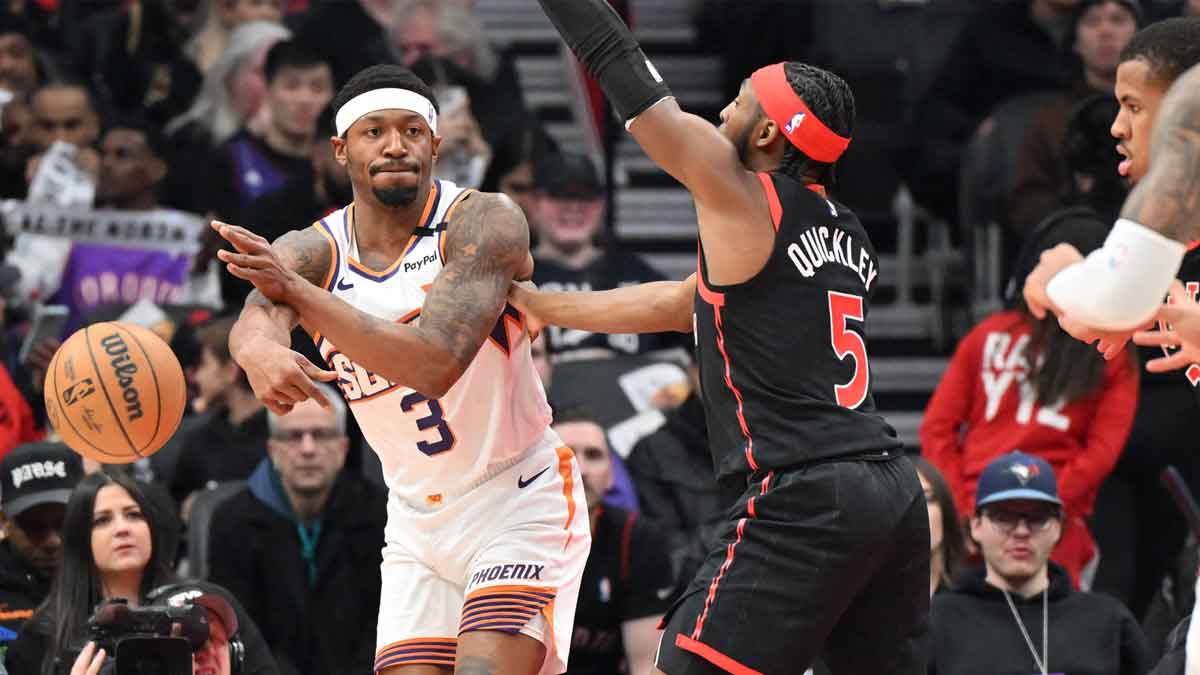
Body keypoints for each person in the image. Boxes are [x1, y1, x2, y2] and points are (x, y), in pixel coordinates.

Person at [510, 3, 929, 672]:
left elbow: (632, 81)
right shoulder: (844, 227)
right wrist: (539, 305)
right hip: (892, 490)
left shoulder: (745, 194)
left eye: (734, 105)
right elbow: (684, 304)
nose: (720, 118)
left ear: (766, 134)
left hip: (806, 488)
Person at [211, 63, 589, 674]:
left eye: (413, 130)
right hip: (414, 518)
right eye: (374, 131)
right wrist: (260, 352)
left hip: (516, 496)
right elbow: (256, 318)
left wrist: (301, 299)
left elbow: (435, 363)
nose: (395, 145)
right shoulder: (312, 250)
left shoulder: (481, 223)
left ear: (436, 144)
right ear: (340, 149)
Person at [920, 215, 1138, 587]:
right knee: (1054, 637)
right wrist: (1042, 509)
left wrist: (970, 510)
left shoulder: (986, 335)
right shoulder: (1112, 350)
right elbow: (1100, 453)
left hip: (978, 521)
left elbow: (936, 430)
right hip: (1051, 528)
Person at [1022, 18, 1200, 355]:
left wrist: (1064, 275)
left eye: (1133, 107)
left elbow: (1110, 299)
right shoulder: (1177, 235)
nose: (1117, 127)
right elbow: (1114, 302)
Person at [5, 469, 278, 675]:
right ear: (79, 540)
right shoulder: (42, 636)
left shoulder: (209, 608)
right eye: (102, 520)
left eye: (134, 515)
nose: (123, 528)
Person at [207, 384, 387, 675]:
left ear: (343, 448)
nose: (308, 449)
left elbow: (381, 623)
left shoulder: (380, 514)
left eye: (321, 434)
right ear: (272, 449)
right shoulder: (232, 521)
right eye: (293, 436)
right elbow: (240, 631)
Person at [928, 451, 1153, 675]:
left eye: (1037, 517)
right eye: (1003, 517)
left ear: (1057, 527)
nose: (1021, 531)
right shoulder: (938, 620)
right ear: (976, 526)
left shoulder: (1108, 621)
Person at [553, 408, 674, 675]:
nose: (580, 469)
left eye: (593, 456)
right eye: (566, 455)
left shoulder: (639, 539)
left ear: (611, 475)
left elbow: (645, 664)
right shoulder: (504, 535)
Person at [0, 442, 83, 656]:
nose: (52, 541)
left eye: (63, 523)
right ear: (4, 522)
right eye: (33, 527)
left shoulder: (111, 575)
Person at [913, 456, 966, 598]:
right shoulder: (865, 602)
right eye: (903, 501)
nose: (918, 511)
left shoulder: (974, 597)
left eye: (927, 499)